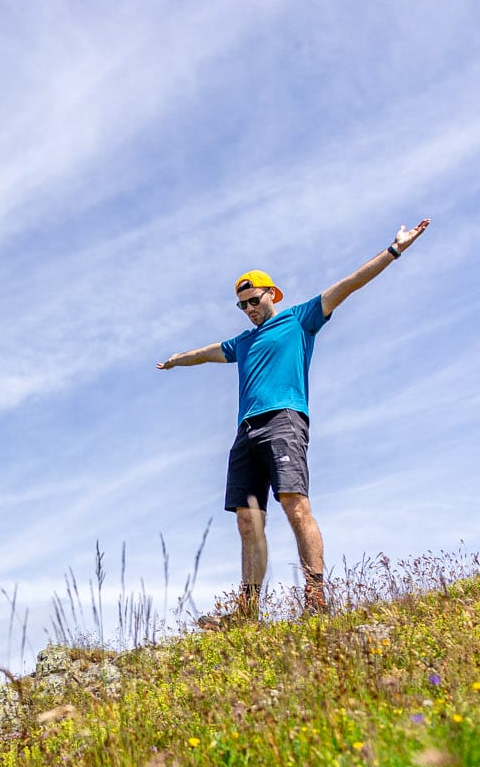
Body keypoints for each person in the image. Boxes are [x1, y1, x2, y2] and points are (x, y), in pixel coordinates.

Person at [157, 220, 431, 617]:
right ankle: (247, 612)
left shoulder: (300, 319)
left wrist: (394, 250)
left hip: (284, 420)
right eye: (243, 305)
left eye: (255, 300)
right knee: (248, 522)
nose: (250, 309)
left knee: (294, 504)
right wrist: (175, 361)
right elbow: (206, 352)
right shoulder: (242, 342)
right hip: (246, 431)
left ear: (272, 294)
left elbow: (350, 283)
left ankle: (315, 598)